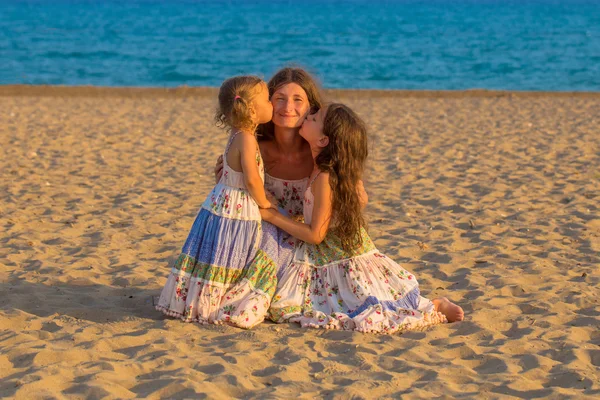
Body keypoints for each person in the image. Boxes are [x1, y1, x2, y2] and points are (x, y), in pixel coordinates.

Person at [261, 104, 464, 333]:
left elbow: (316, 234)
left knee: (369, 307)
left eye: (315, 118)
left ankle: (434, 305)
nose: (308, 116)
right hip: (333, 248)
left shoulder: (325, 176)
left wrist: (271, 215)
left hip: (339, 252)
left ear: (323, 140)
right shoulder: (321, 168)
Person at [155, 75, 277, 328]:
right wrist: (265, 203)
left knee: (219, 252)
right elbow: (252, 180)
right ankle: (216, 301)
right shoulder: (247, 138)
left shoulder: (236, 134)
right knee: (234, 252)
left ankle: (201, 297)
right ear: (253, 109)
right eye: (267, 100)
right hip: (237, 206)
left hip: (221, 200)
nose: (272, 104)